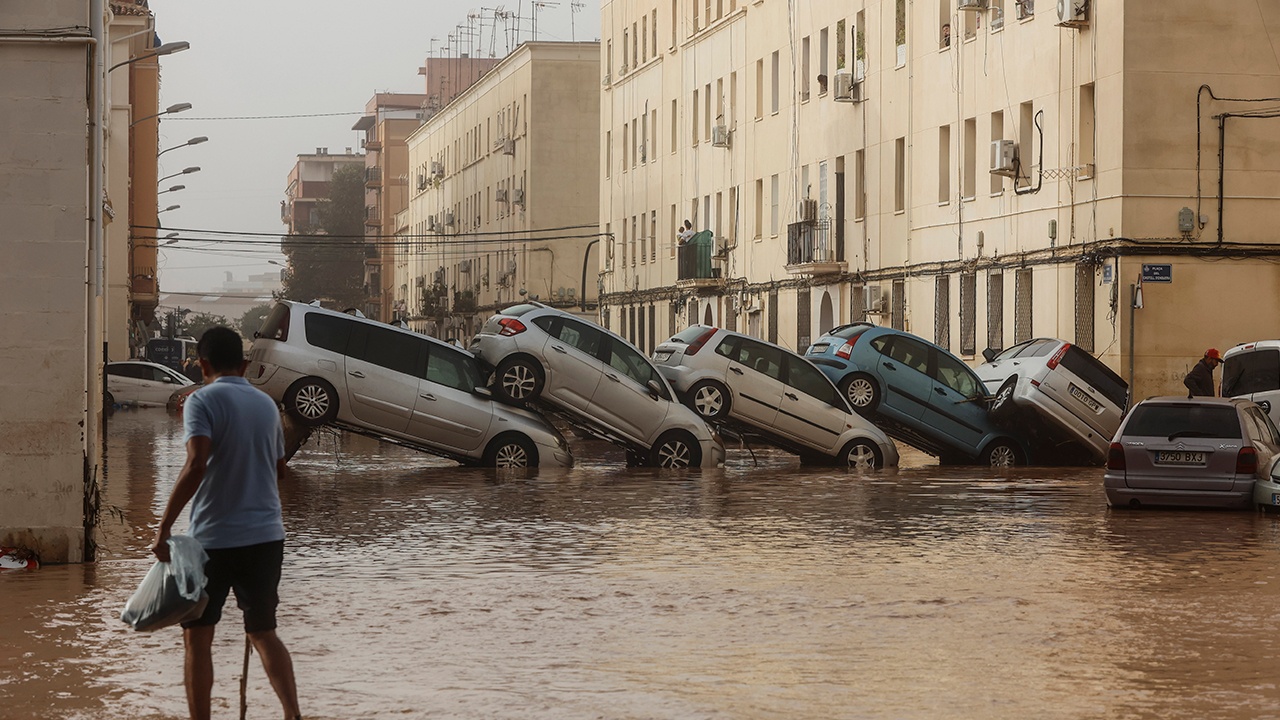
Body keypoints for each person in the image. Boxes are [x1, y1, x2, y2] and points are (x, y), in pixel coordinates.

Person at [151, 326, 302, 720]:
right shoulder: (268, 405)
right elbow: (280, 470)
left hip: (212, 541)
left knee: (198, 640)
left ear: (202, 364)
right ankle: (292, 714)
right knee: (263, 632)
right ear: (245, 363)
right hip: (267, 538)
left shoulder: (200, 401)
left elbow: (196, 464)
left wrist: (164, 528)